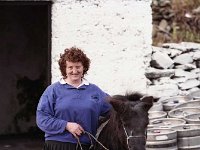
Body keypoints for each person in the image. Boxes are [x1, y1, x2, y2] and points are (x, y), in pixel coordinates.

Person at [36, 47, 111, 150]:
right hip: (57, 145)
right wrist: (66, 125)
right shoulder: (53, 90)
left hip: (85, 146)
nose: (74, 71)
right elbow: (42, 119)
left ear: (84, 67)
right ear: (64, 69)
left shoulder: (95, 91)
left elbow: (116, 110)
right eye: (70, 67)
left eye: (78, 67)